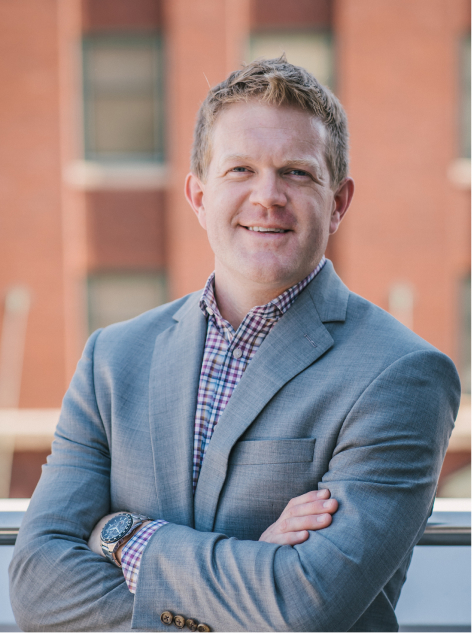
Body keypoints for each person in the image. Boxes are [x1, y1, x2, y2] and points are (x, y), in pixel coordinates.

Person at [10, 56, 460, 632]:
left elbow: (304, 608)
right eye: (240, 169)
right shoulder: (113, 360)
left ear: (338, 202)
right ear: (199, 196)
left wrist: (124, 537)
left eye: (296, 173)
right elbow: (37, 585)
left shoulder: (404, 374)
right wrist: (253, 574)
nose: (267, 196)